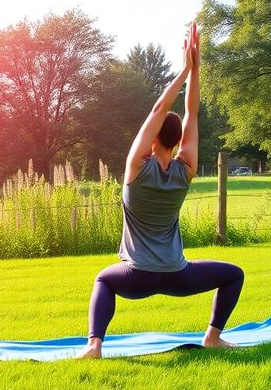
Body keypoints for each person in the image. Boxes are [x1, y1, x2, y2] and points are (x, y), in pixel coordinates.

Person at [77, 23, 245, 359]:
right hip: (177, 276)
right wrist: (197, 69)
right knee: (233, 275)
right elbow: (192, 113)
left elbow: (158, 111)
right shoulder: (186, 170)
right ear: (178, 139)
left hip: (135, 276)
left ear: (154, 137)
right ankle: (212, 336)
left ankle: (94, 346)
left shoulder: (136, 168)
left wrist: (184, 70)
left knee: (104, 280)